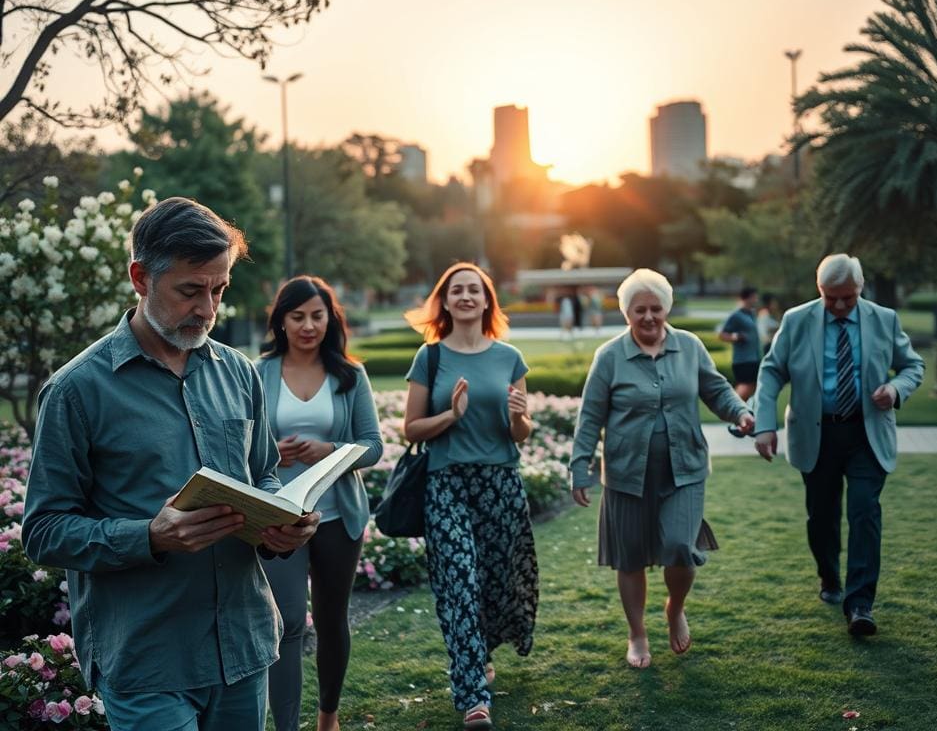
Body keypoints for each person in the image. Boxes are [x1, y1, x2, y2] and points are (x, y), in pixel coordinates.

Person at [22, 197, 320, 731]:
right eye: (190, 290)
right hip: (147, 661)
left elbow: (264, 474)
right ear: (140, 277)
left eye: (219, 289)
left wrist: (281, 521)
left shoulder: (240, 374)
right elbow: (43, 531)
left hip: (244, 647)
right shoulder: (75, 390)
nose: (208, 308)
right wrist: (149, 536)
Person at [569, 268, 754, 669]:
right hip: (625, 474)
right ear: (626, 313)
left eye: (656, 308)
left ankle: (675, 609)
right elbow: (589, 417)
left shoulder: (689, 347)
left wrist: (740, 412)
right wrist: (579, 467)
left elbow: (716, 389)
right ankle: (637, 634)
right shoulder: (610, 357)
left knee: (679, 549)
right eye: (640, 310)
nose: (649, 317)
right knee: (630, 558)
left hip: (684, 468)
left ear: (666, 309)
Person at [754, 254, 924, 637]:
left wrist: (896, 388)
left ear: (860, 288)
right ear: (820, 290)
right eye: (831, 298)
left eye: (848, 297)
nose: (840, 306)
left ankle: (860, 604)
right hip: (817, 435)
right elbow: (770, 372)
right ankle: (829, 578)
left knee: (865, 512)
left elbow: (913, 366)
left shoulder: (884, 319)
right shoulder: (797, 320)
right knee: (822, 517)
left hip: (866, 433)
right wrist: (764, 426)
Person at [402, 262, 538, 731]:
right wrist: (450, 416)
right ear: (445, 301)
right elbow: (410, 428)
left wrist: (521, 415)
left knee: (496, 582)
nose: (465, 296)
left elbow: (518, 433)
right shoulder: (430, 357)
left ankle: (480, 653)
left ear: (486, 301)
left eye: (473, 290)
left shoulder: (509, 358)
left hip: (500, 482)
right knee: (458, 580)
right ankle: (473, 696)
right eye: (456, 290)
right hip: (447, 483)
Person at [255, 276, 383, 731]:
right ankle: (286, 725)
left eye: (317, 315)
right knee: (287, 623)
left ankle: (328, 716)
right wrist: (274, 450)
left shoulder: (350, 375)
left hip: (336, 516)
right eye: (298, 316)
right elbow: (243, 446)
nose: (308, 325)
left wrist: (330, 451)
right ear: (281, 322)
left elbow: (373, 446)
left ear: (330, 319)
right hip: (279, 518)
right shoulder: (258, 372)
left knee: (331, 621)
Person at [719, 286, 761, 400]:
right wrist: (737, 337)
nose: (756, 300)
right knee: (745, 386)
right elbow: (722, 334)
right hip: (743, 359)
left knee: (753, 386)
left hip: (754, 357)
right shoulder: (736, 315)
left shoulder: (751, 314)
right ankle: (734, 409)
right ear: (747, 298)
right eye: (754, 298)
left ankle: (743, 413)